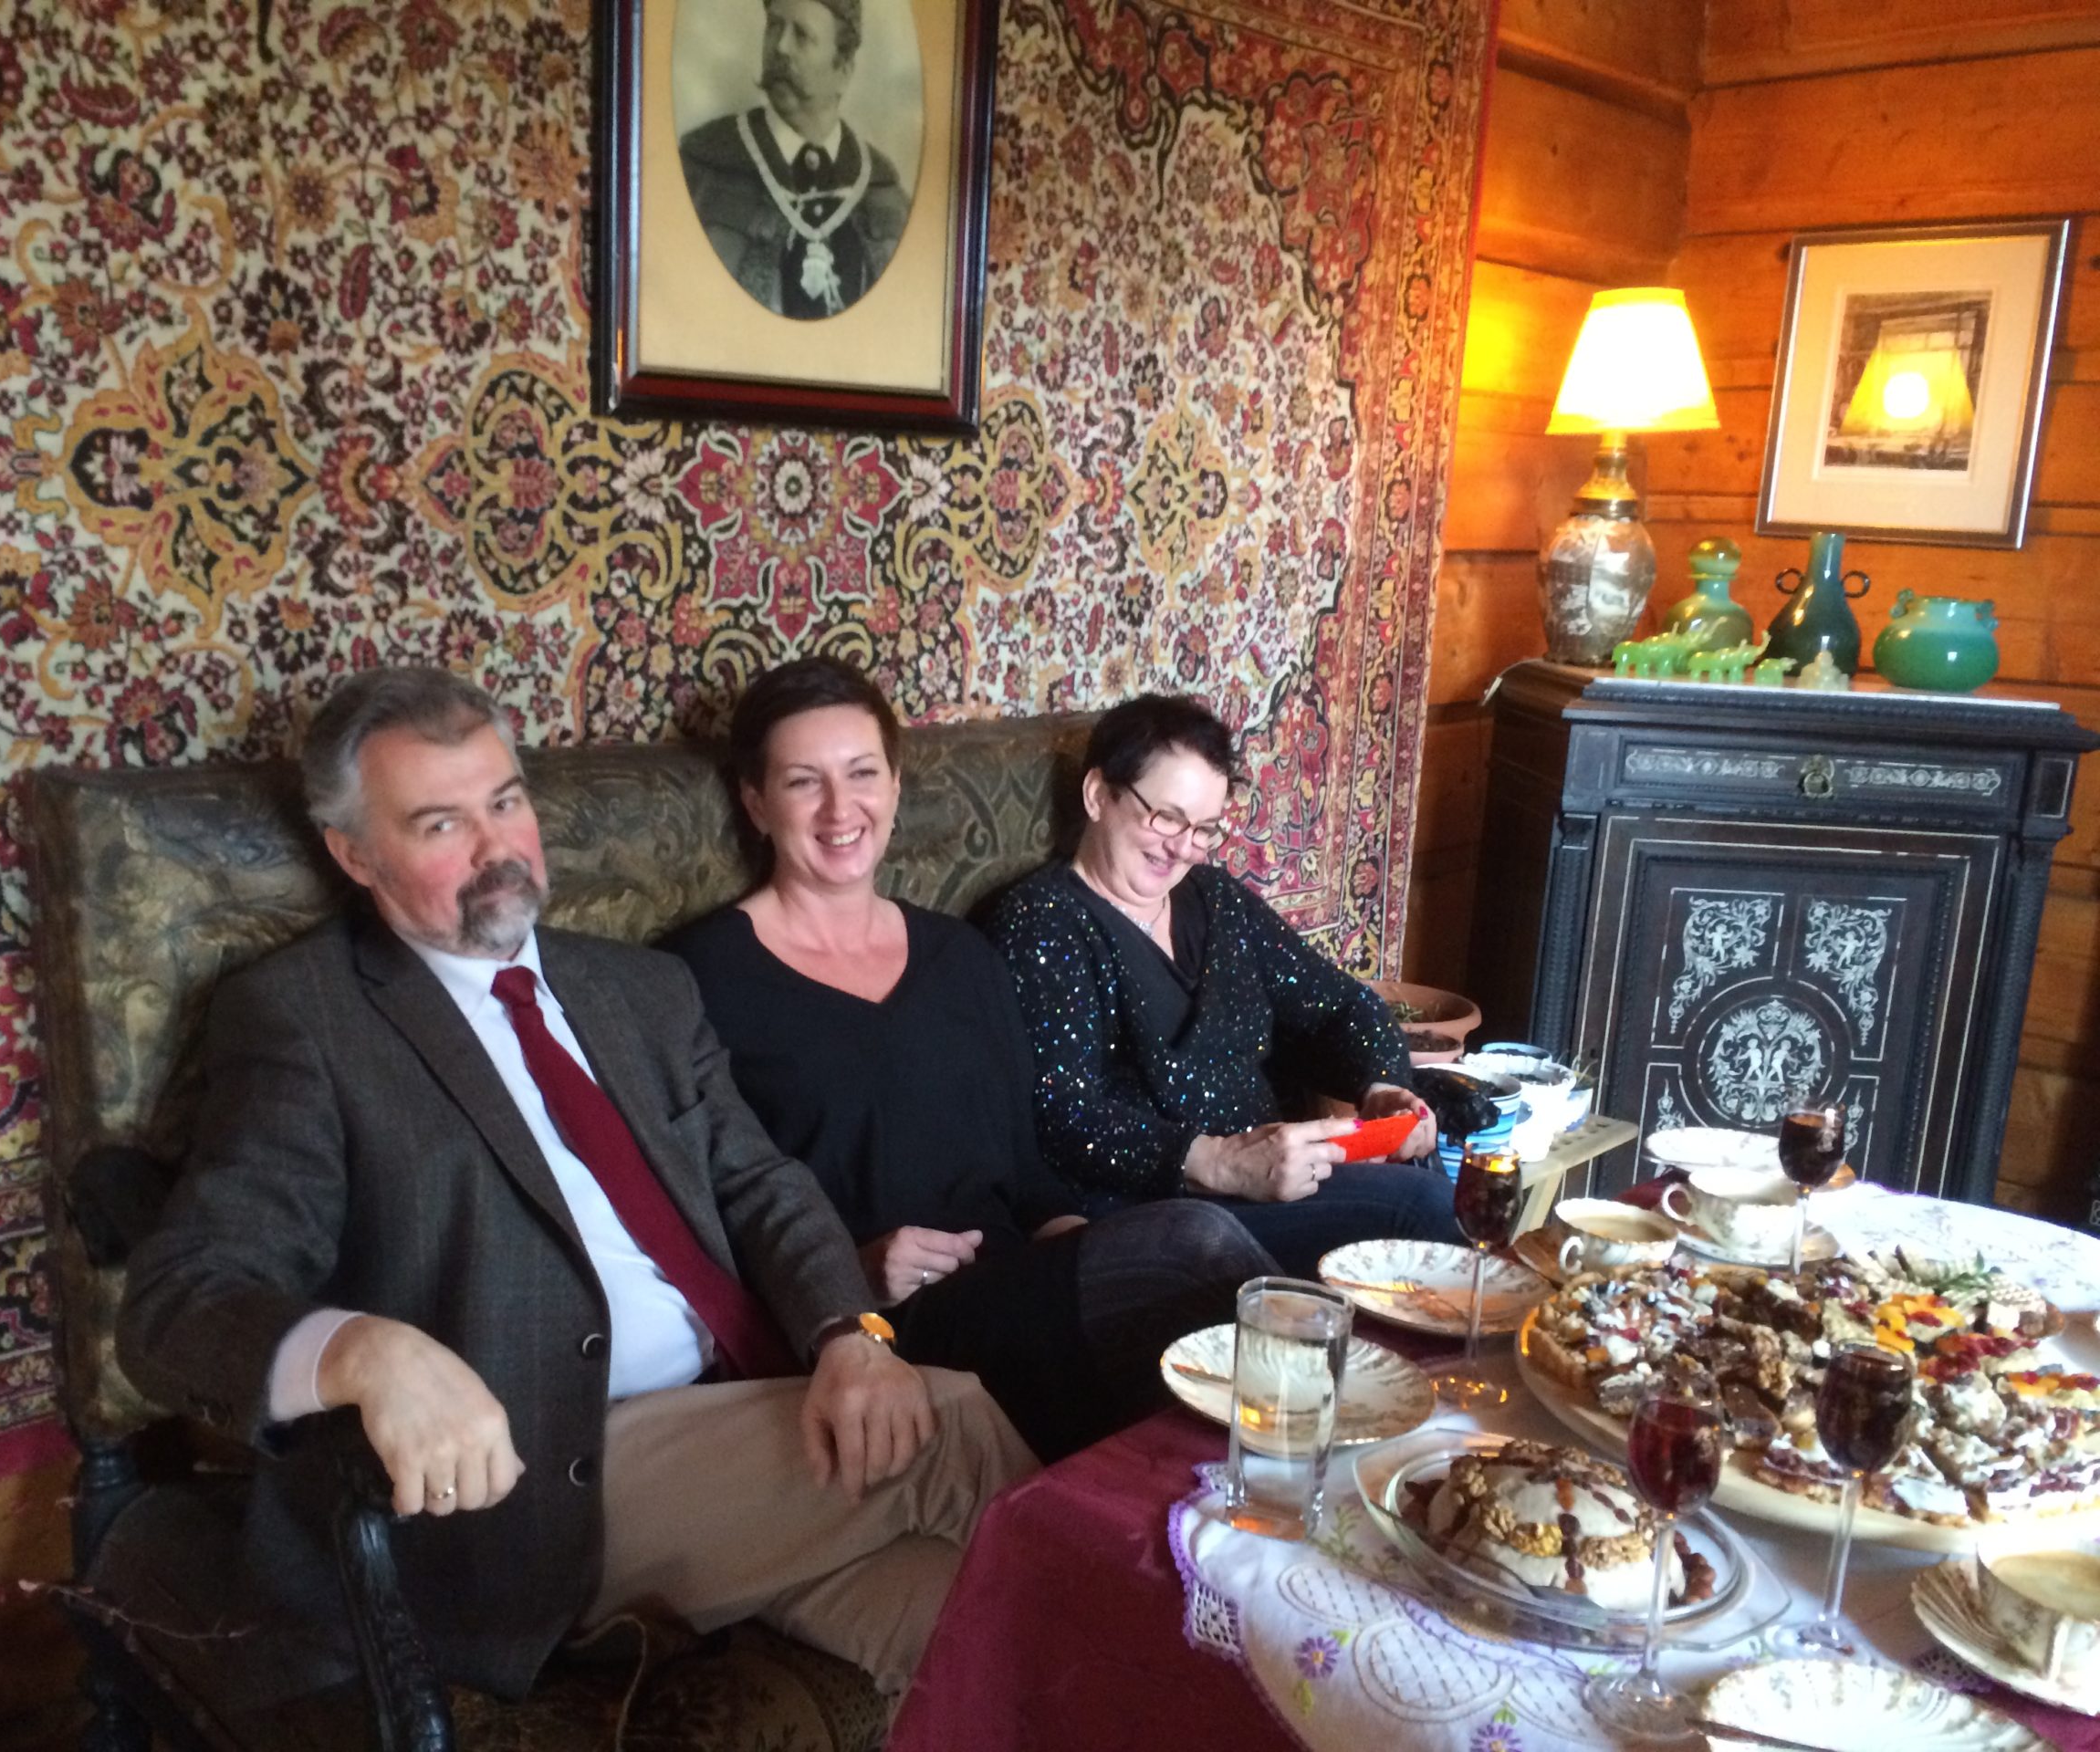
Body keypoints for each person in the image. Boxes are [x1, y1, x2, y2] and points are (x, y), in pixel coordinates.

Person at [116, 667, 1035, 1706]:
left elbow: (760, 1183)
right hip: (545, 1476)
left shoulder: (637, 988)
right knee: (955, 1431)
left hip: (743, 1421)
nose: (496, 847)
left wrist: (848, 1335)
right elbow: (178, 1300)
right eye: (440, 824)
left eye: (505, 802)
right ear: (354, 854)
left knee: (988, 1627)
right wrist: (362, 1352)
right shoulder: (307, 1022)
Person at [663, 659, 1274, 1461]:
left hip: (1016, 1286)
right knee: (1195, 1249)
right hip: (883, 1326)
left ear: (895, 786)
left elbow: (1027, 1171)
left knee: (1188, 1277)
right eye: (804, 782)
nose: (841, 809)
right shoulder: (696, 980)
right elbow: (698, 1219)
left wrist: (1093, 1248)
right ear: (755, 802)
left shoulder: (960, 957)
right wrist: (850, 1277)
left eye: (862, 774)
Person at [984, 694, 1462, 1275]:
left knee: (1440, 1192)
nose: (1182, 847)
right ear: (1097, 795)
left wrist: (1382, 1085)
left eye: (1204, 830)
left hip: (1273, 1185)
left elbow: (1341, 1004)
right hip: (1158, 1212)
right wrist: (1216, 1161)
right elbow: (1063, 1112)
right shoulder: (1041, 921)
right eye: (1166, 817)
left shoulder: (1216, 901)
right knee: (1425, 1211)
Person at [677, 0, 912, 318]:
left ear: (843, 71)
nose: (781, 47)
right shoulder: (700, 170)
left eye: (802, 35)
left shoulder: (885, 195)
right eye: (774, 27)